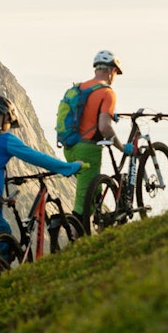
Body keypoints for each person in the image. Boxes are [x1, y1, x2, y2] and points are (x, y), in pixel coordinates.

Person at [0, 95, 84, 286]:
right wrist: (68, 168)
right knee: (4, 244)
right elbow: (35, 156)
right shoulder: (3, 138)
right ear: (7, 118)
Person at [63, 50, 134, 224]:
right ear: (111, 70)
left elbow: (85, 113)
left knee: (94, 193)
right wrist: (122, 147)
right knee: (82, 205)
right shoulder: (107, 93)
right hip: (88, 150)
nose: (115, 76)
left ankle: (100, 229)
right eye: (116, 72)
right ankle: (76, 240)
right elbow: (104, 127)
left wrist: (110, 113)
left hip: (69, 148)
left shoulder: (80, 88)